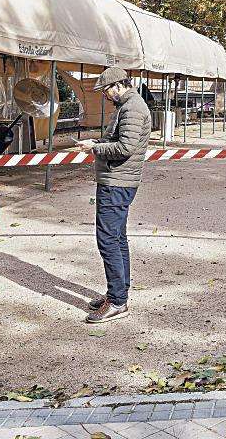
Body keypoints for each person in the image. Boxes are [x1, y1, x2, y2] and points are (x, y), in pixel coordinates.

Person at [80, 67, 152, 323]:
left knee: (108, 240)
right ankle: (118, 291)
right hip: (118, 181)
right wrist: (99, 141)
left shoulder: (132, 108)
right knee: (118, 238)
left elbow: (125, 147)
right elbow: (119, 139)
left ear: (118, 85)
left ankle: (118, 301)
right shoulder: (128, 105)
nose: (105, 96)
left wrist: (96, 147)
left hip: (117, 183)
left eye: (106, 90)